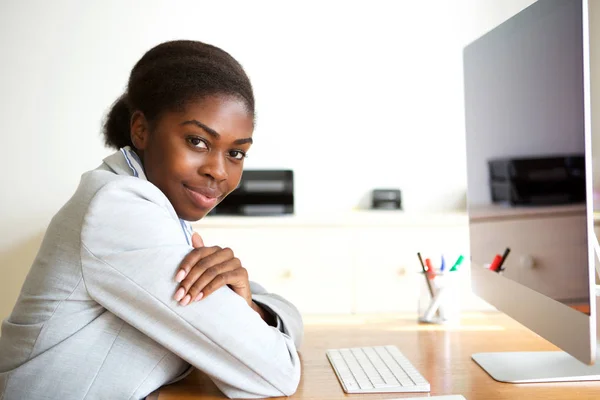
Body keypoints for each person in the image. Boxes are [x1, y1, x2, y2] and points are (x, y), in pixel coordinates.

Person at [0, 40, 303, 400]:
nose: (219, 172)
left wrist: (252, 307)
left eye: (236, 153)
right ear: (141, 129)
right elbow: (276, 372)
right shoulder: (118, 210)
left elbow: (290, 320)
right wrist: (252, 318)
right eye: (198, 141)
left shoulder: (152, 205)